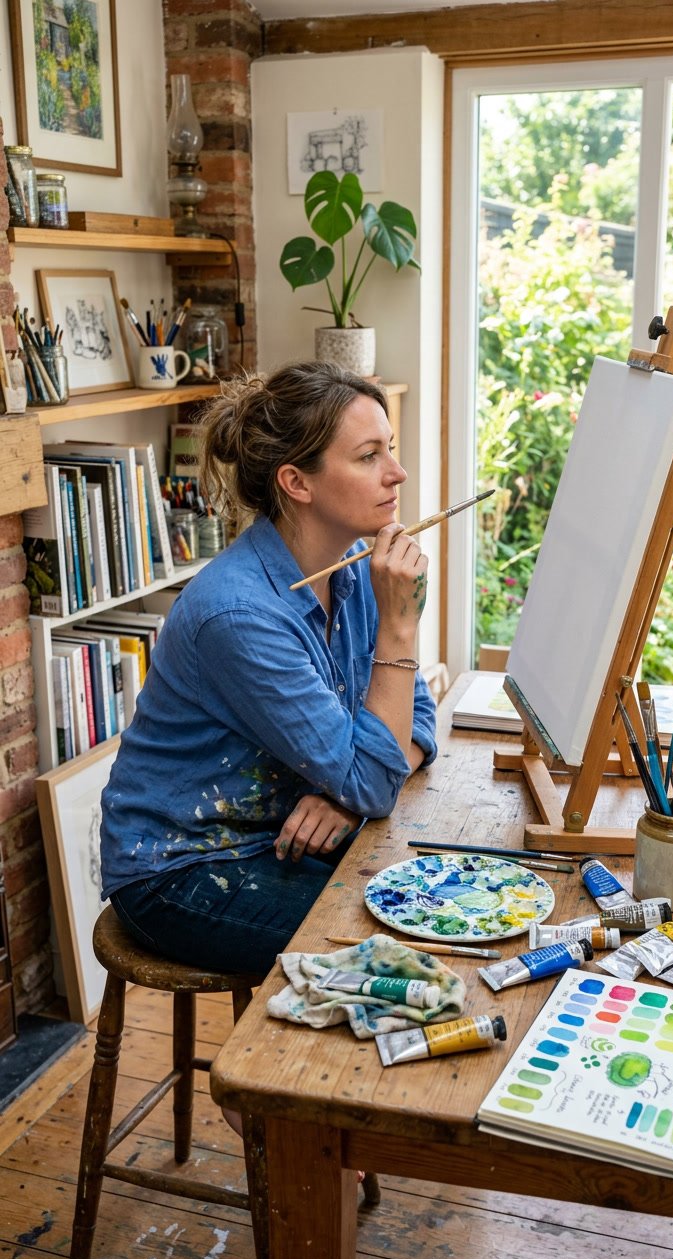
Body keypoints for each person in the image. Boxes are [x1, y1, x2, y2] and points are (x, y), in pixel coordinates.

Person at [99, 361, 437, 976]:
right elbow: (375, 775)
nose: (398, 472)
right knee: (404, 956)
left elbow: (415, 712)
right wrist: (400, 628)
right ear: (296, 483)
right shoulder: (238, 615)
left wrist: (349, 796)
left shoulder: (358, 564)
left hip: (286, 833)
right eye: (368, 456)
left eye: (390, 449)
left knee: (445, 904)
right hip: (183, 868)